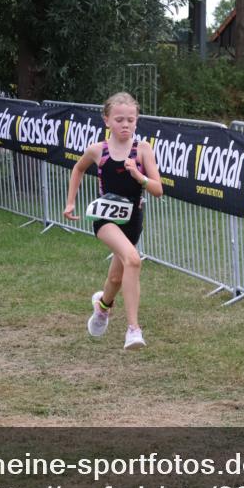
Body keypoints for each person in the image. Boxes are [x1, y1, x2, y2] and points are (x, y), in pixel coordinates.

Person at [63, 92, 162, 349]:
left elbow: (158, 189)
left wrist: (139, 176)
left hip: (132, 220)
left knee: (117, 279)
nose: (125, 125)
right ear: (107, 120)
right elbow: (78, 168)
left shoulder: (143, 150)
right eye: (119, 120)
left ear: (137, 121)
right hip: (105, 218)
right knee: (133, 260)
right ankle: (133, 330)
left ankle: (102, 307)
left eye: (131, 120)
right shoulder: (98, 150)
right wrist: (71, 201)